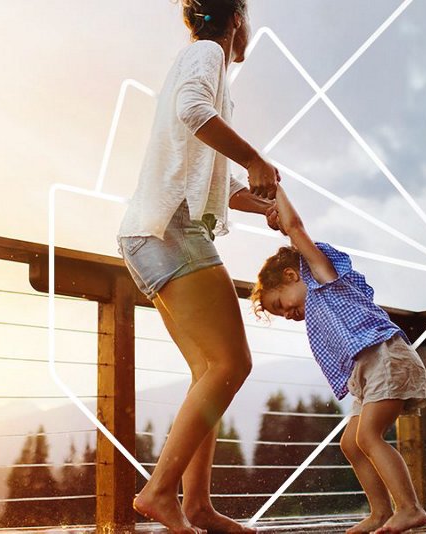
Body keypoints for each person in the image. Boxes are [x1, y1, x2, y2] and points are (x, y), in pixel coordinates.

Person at [116, 0, 279, 532]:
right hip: (170, 231)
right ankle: (160, 492)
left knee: (209, 372)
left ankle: (197, 505)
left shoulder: (202, 64)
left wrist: (265, 203)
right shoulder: (207, 53)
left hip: (154, 233)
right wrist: (255, 157)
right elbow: (193, 111)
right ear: (236, 19)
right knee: (231, 365)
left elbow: (215, 182)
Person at [253, 187, 426, 534]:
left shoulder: (323, 278)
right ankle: (380, 513)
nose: (287, 314)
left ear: (291, 276)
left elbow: (296, 228)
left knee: (369, 436)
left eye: (280, 304)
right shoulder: (314, 299)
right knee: (351, 442)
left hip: (385, 356)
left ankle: (409, 508)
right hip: (366, 370)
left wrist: (276, 192)